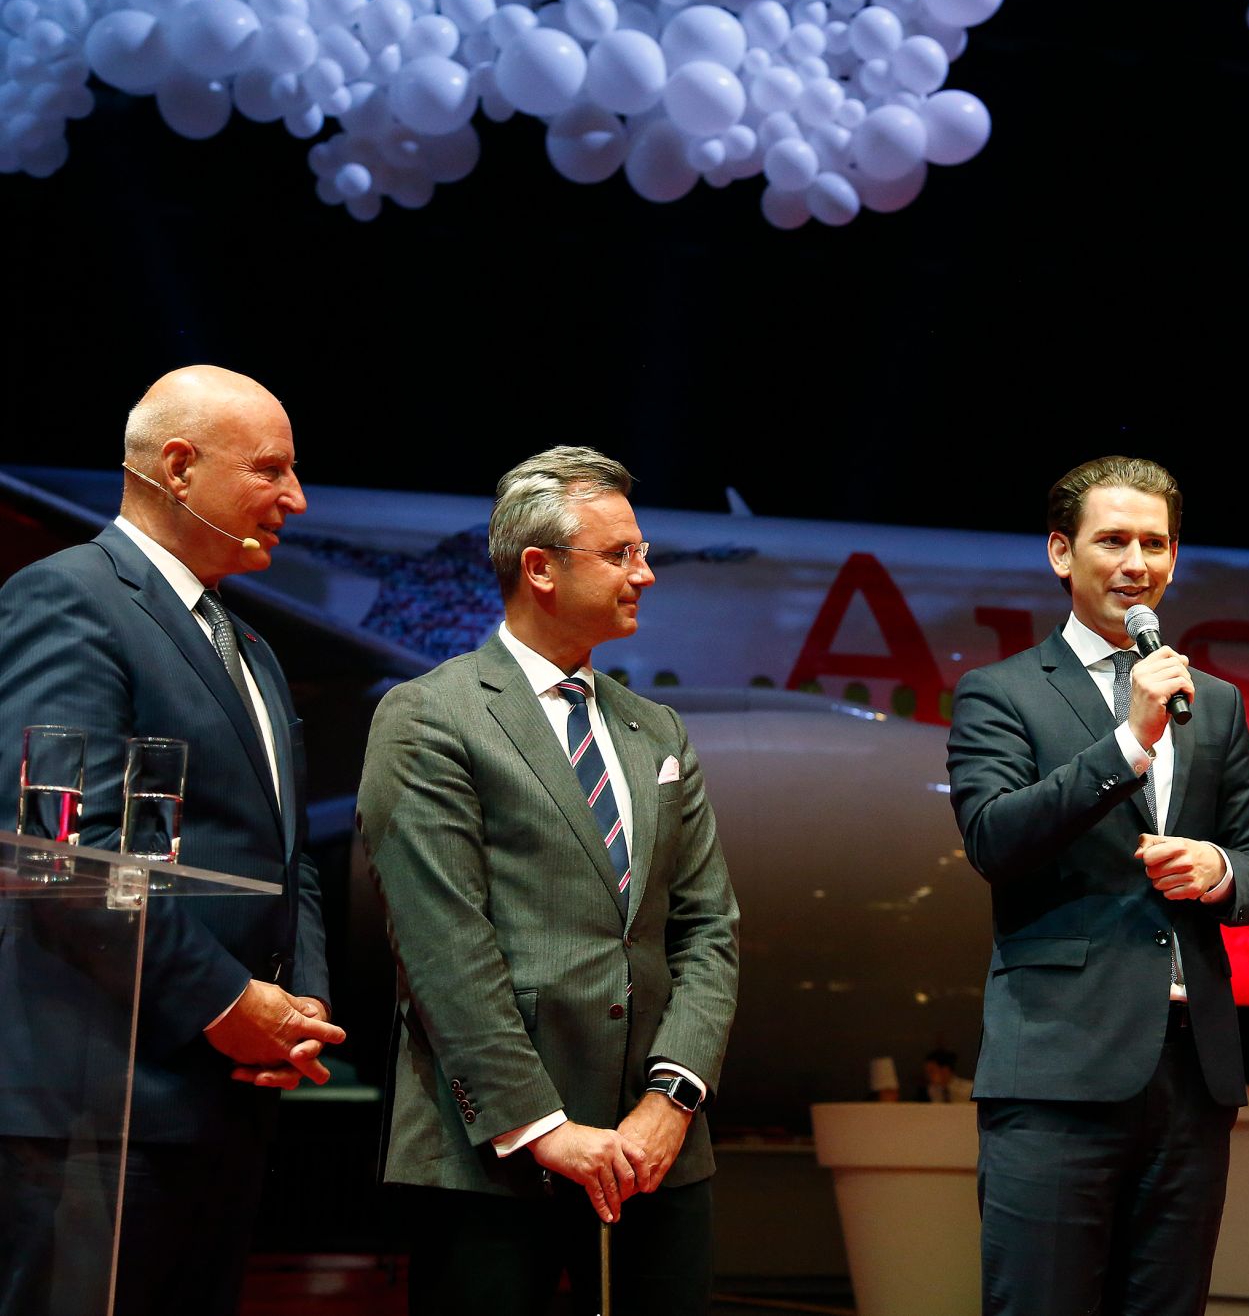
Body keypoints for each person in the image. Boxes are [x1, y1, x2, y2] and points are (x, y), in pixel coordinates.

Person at [356, 445, 739, 1316]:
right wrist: (544, 1126)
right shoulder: (431, 716)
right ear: (539, 569)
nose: (646, 574)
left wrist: (671, 1099)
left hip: (657, 1156)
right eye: (620, 555)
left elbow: (709, 926)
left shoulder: (658, 730)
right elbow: (442, 946)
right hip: (490, 1155)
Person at [0, 365, 343, 1316]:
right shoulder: (68, 599)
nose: (295, 499)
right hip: (94, 1107)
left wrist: (298, 1002)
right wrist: (228, 999)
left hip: (220, 1103)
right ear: (180, 468)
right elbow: (60, 858)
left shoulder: (251, 647)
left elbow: (285, 854)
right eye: (271, 471)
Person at [946, 455, 1249, 1316]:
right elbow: (993, 839)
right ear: (1062, 553)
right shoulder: (1002, 693)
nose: (1138, 563)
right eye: (1113, 540)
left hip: (1192, 1075)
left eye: (1156, 543)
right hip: (1058, 1067)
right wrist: (1128, 743)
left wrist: (1219, 872)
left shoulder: (1215, 700)